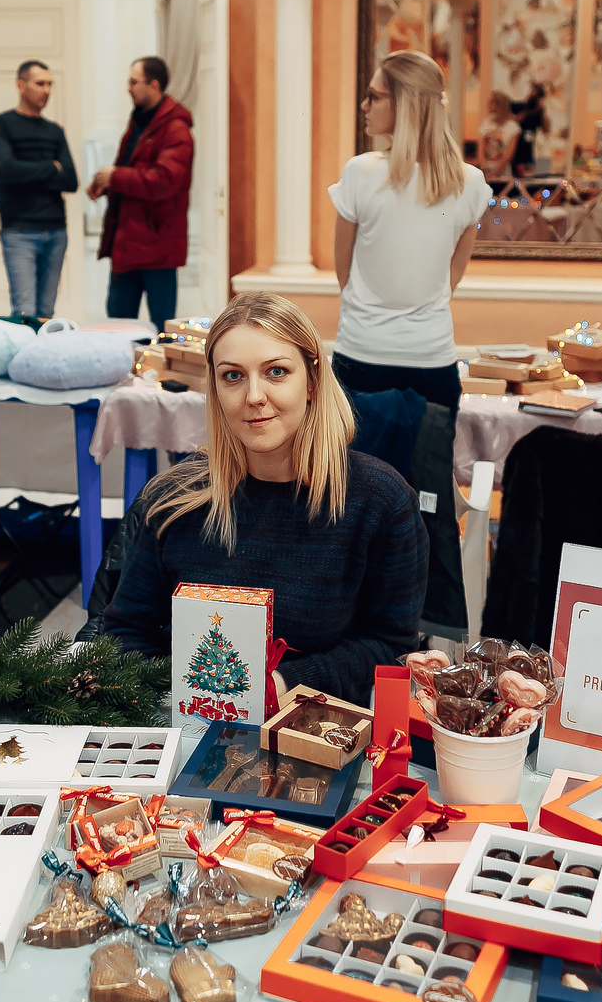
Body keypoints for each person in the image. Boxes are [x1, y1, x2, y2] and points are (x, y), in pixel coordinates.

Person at [98, 292, 429, 704]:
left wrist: (281, 685)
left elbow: (390, 645)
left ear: (311, 381)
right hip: (188, 719)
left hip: (319, 726)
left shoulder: (380, 501)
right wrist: (189, 695)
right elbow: (125, 632)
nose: (254, 396)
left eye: (276, 371)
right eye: (233, 376)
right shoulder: (176, 498)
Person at [330, 50, 492, 415]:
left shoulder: (359, 172)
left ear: (405, 104)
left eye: (374, 96)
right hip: (430, 360)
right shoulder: (469, 182)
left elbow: (344, 272)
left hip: (363, 356)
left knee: (356, 456)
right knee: (427, 458)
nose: (364, 105)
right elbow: (452, 276)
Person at [91, 55, 192, 326]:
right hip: (128, 243)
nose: (128, 88)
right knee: (117, 328)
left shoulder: (176, 128)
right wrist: (107, 185)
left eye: (134, 82)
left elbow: (164, 180)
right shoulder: (139, 121)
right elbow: (134, 168)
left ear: (153, 85)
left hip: (157, 247)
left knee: (163, 330)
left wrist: (114, 177)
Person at [0, 61, 78, 318]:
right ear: (20, 85)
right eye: (40, 83)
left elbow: (70, 181)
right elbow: (5, 171)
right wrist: (51, 167)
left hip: (56, 231)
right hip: (19, 231)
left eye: (50, 84)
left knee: (46, 312)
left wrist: (27, 172)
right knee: (24, 311)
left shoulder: (55, 131)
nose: (46, 90)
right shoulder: (0, 124)